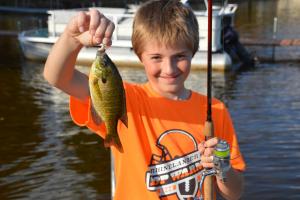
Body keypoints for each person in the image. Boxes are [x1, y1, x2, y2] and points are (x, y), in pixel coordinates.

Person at [43, 0, 246, 199]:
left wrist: (222, 167)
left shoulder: (216, 109)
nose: (169, 68)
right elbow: (58, 77)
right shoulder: (126, 99)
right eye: (156, 57)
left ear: (193, 52)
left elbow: (234, 193)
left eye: (180, 56)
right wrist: (73, 39)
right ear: (141, 56)